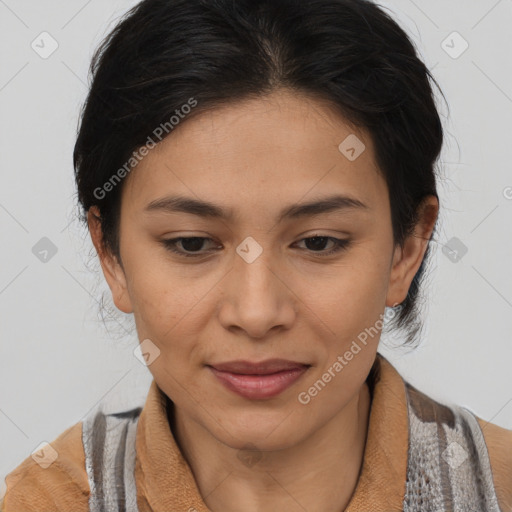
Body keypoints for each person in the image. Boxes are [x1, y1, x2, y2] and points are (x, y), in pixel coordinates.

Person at [2, 0, 511, 510]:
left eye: (318, 242)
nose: (257, 312)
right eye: (191, 243)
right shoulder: (47, 499)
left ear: (407, 248)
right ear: (110, 256)